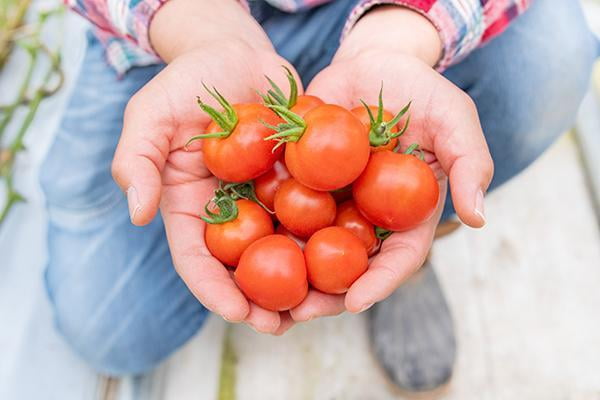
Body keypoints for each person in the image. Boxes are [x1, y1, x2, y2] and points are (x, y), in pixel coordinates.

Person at [42, 0, 596, 393]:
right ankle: (370, 238)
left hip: (394, 13)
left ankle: (403, 243)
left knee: (546, 62)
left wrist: (399, 38)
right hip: (179, 26)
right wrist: (202, 32)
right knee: (111, 328)